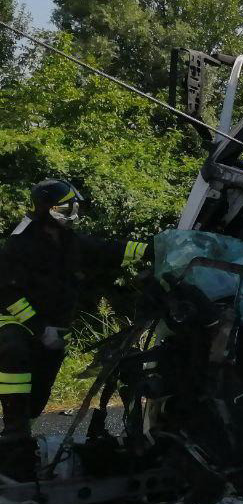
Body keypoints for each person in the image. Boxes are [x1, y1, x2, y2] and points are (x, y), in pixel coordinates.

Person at [0, 179, 151, 477]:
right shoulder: (20, 244)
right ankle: (14, 435)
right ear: (45, 210)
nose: (72, 214)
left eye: (74, 208)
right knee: (14, 357)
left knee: (39, 390)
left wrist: (154, 249)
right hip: (17, 324)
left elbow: (108, 250)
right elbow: (6, 292)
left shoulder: (69, 240)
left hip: (55, 329)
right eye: (65, 209)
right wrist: (39, 328)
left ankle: (19, 445)